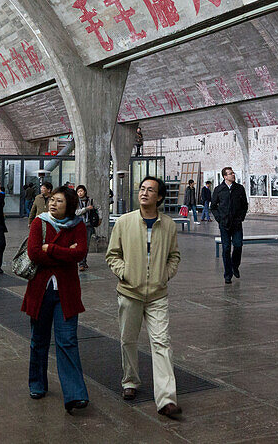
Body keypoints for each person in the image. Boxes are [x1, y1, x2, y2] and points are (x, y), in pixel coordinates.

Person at [105, 176, 182, 419]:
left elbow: (174, 256)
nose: (144, 193)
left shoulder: (168, 225)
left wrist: (164, 275)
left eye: (150, 190)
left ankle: (167, 399)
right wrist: (124, 272)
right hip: (130, 292)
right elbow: (112, 254)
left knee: (162, 343)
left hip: (158, 294)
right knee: (128, 339)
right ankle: (130, 381)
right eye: (142, 189)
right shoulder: (125, 222)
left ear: (159, 197)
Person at [22, 186, 90, 412]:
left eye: (59, 201)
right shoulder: (38, 223)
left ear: (69, 205)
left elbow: (80, 253)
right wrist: (64, 253)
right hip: (40, 291)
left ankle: (75, 395)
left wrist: (50, 248)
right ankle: (37, 384)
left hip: (66, 292)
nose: (53, 204)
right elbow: (33, 253)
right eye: (52, 200)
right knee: (38, 341)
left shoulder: (78, 225)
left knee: (67, 341)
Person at [211, 167, 248, 284]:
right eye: (230, 174)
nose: (233, 175)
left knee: (238, 245)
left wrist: (241, 217)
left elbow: (244, 205)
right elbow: (213, 207)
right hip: (224, 224)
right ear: (225, 177)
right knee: (226, 248)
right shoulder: (219, 190)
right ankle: (228, 274)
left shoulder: (239, 189)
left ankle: (235, 266)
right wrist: (219, 219)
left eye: (233, 173)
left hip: (236, 223)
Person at [74, 185, 99, 272]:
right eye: (78, 192)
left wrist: (99, 219)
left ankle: (83, 261)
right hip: (79, 225)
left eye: (81, 191)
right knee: (81, 244)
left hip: (89, 225)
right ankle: (81, 263)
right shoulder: (76, 202)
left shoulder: (91, 201)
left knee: (86, 245)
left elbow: (98, 209)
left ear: (84, 191)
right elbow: (76, 212)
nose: (80, 193)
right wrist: (86, 209)